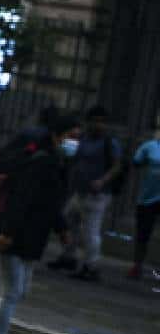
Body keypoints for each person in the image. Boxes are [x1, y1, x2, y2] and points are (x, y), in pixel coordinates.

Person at [0, 110, 81, 334]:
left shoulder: (56, 163)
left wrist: (62, 229)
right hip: (15, 236)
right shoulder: (41, 163)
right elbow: (21, 200)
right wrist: (6, 232)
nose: (75, 143)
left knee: (16, 292)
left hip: (31, 238)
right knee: (10, 293)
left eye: (78, 138)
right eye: (71, 137)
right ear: (57, 136)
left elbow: (50, 204)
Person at [46, 105, 124, 281]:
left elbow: (117, 166)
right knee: (68, 221)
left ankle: (91, 266)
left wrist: (102, 181)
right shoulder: (83, 138)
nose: (99, 125)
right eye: (95, 121)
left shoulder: (109, 142)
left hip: (97, 194)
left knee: (91, 232)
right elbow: (71, 156)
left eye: (102, 122)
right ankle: (69, 256)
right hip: (80, 191)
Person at [129, 125, 160, 279]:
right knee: (143, 233)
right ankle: (137, 265)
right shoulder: (150, 147)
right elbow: (136, 163)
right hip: (148, 198)